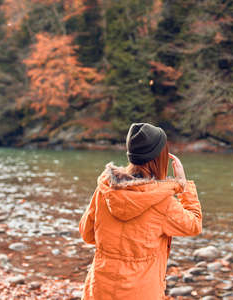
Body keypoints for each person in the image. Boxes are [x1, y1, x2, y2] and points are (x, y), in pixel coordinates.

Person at [79, 123, 202, 299]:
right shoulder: (162, 201)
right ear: (159, 158)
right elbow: (195, 224)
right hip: (142, 291)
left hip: (101, 287)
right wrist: (184, 186)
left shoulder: (106, 189)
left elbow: (87, 234)